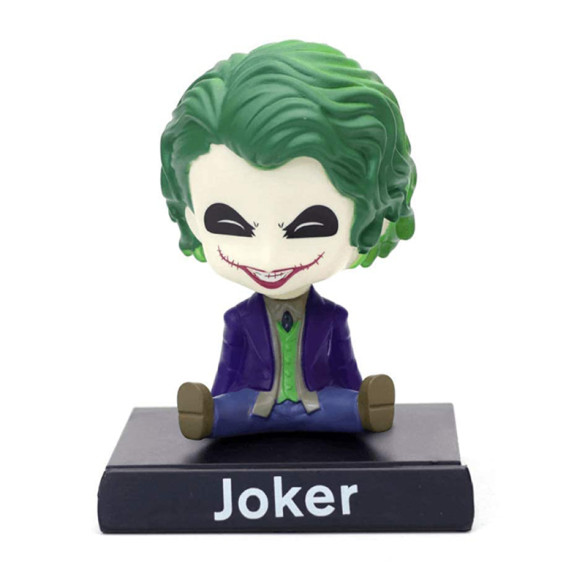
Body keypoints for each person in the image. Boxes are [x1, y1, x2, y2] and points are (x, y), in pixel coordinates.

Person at [160, 40, 416, 438]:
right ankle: (209, 418)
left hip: (319, 404)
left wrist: (359, 395)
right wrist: (215, 401)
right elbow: (228, 372)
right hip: (255, 406)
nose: (268, 257)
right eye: (230, 225)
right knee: (230, 411)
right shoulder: (238, 320)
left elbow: (345, 368)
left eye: (309, 228)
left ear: (373, 219)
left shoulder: (332, 318)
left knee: (344, 407)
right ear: (190, 217)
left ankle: (363, 413)